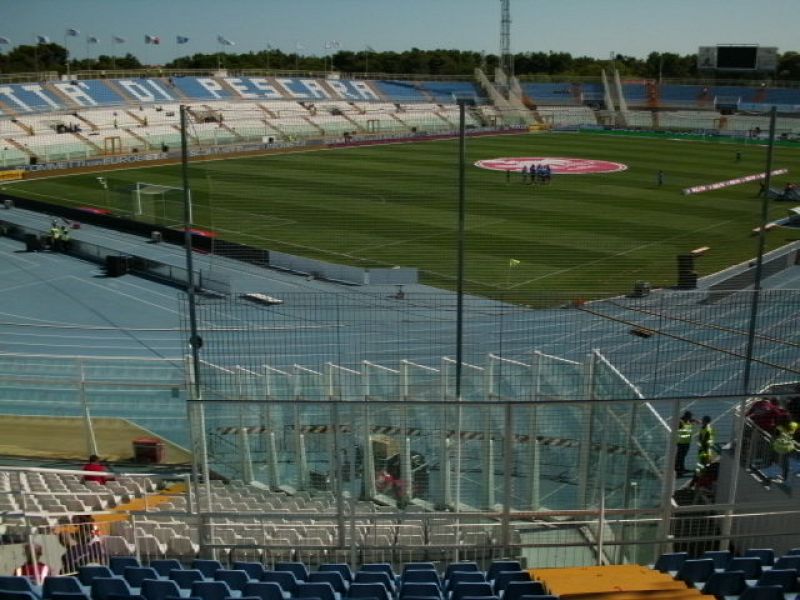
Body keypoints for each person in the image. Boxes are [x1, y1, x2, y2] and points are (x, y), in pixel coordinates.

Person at [772, 415, 798, 482]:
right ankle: (784, 476)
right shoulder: (794, 425)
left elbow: (775, 436)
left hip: (780, 447)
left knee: (780, 461)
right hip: (789, 447)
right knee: (786, 462)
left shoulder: (779, 427)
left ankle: (781, 476)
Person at [675, 411, 697, 476]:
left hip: (686, 442)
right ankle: (678, 469)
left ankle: (681, 468)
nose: (691, 418)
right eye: (690, 416)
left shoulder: (687, 421)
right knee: (680, 456)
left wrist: (694, 420)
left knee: (682, 456)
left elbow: (690, 420)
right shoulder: (681, 422)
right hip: (681, 442)